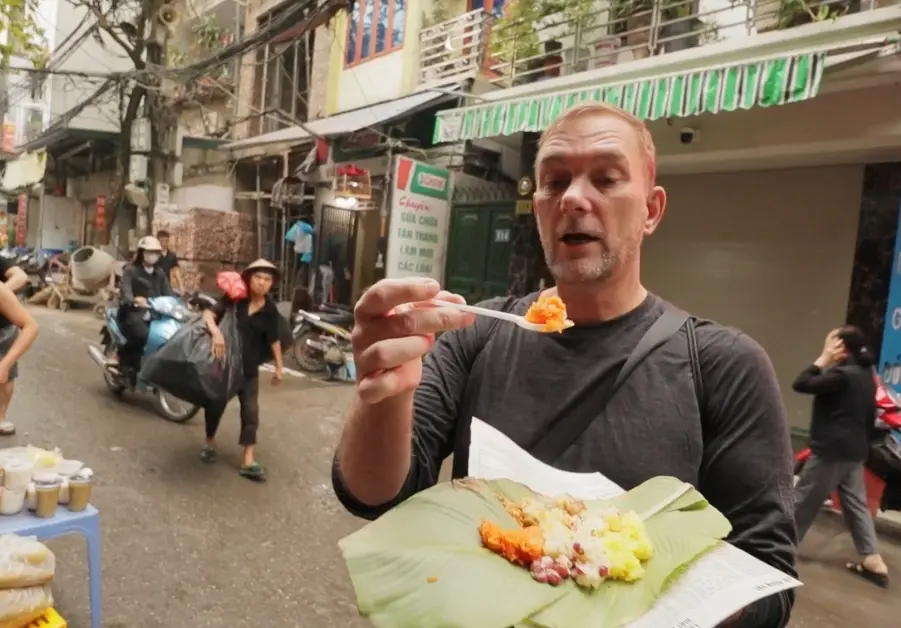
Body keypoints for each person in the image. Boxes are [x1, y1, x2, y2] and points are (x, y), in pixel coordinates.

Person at [333, 103, 797, 627]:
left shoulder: (724, 366)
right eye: (554, 182)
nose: (574, 198)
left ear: (651, 209)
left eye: (606, 178)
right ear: (537, 209)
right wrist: (386, 388)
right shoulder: (476, 334)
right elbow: (372, 495)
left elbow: (767, 573)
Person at [792, 326, 890, 588]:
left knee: (803, 500)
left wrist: (822, 359)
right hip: (854, 451)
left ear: (840, 347)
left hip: (831, 451)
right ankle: (873, 560)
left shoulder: (840, 375)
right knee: (856, 506)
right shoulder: (866, 374)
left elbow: (801, 383)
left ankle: (776, 548)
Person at [200, 259, 284, 481]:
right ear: (249, 278)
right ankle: (209, 441)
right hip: (225, 364)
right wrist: (216, 333)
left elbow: (274, 338)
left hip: (248, 369)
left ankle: (248, 459)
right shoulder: (236, 297)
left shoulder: (269, 310)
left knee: (250, 412)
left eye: (267, 279)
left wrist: (279, 366)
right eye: (258, 277)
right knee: (215, 404)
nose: (262, 283)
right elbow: (209, 314)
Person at [116, 236, 174, 381]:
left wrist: (179, 301)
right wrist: (133, 299)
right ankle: (126, 364)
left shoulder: (159, 273)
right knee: (142, 335)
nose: (153, 255)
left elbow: (168, 293)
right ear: (142, 252)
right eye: (150, 252)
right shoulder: (131, 270)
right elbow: (125, 290)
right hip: (131, 312)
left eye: (156, 252)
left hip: (153, 313)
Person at [0, 256, 31, 436]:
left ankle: (1, 416)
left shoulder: (1, 262)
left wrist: (3, 294)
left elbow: (20, 276)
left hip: (3, 327)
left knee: (5, 376)